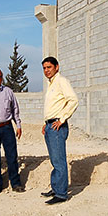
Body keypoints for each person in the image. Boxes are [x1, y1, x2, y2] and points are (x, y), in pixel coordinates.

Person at [40, 56, 79, 205]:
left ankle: (61, 194)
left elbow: (73, 100)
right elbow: (54, 105)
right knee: (54, 160)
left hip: (58, 126)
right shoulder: (51, 84)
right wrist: (46, 122)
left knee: (59, 160)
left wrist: (62, 119)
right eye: (44, 68)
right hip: (50, 126)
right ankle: (56, 188)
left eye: (49, 67)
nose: (46, 70)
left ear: (57, 67)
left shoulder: (61, 81)